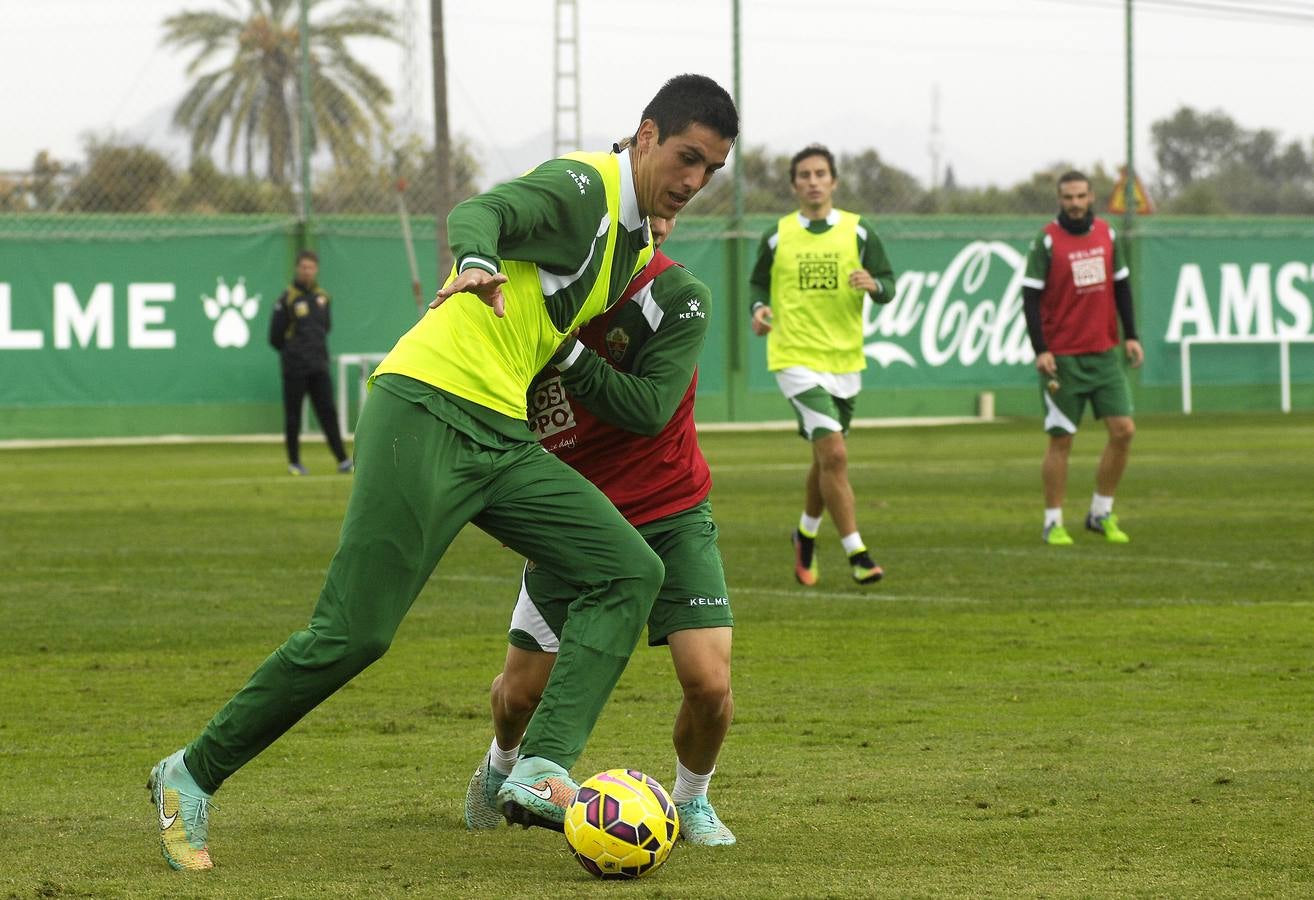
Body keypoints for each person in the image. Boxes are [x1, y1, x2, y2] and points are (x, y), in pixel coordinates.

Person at [147, 73, 738, 872]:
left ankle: (538, 767)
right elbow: (482, 211)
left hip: (498, 432)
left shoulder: (634, 242)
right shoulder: (584, 188)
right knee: (354, 635)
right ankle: (190, 772)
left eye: (712, 170)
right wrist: (474, 259)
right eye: (686, 157)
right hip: (427, 406)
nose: (696, 181)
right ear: (643, 137)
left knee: (627, 569)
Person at [463, 216, 736, 846]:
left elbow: (648, 410)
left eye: (668, 213)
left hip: (672, 511)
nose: (657, 226)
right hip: (574, 520)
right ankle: (499, 765)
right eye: (642, 215)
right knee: (519, 698)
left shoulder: (676, 295)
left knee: (710, 685)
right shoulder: (533, 296)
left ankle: (691, 799)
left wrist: (567, 351)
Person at [748, 144, 896, 588]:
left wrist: (876, 286)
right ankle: (858, 552)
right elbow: (758, 281)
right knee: (835, 452)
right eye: (804, 175)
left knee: (824, 457)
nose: (813, 181)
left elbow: (888, 282)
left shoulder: (858, 231)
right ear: (794, 185)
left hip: (845, 360)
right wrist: (758, 308)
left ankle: (805, 535)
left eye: (820, 174)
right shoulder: (777, 235)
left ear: (833, 181)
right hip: (794, 358)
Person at [1021, 170, 1143, 546]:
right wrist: (1041, 349)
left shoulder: (1107, 234)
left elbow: (1121, 286)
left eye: (1080, 196)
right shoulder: (1046, 241)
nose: (1074, 203)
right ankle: (1053, 521)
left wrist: (1132, 336)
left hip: (1105, 353)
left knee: (1124, 431)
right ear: (1059, 200)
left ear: (1092, 197)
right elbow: (1030, 297)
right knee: (1062, 440)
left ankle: (1101, 512)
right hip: (1064, 359)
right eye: (1067, 197)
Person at [267, 249, 353, 476]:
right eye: (304, 267)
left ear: (316, 270)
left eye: (311, 267)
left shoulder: (322, 297)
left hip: (319, 365)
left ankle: (343, 459)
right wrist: (293, 354)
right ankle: (294, 462)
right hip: (295, 368)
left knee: (328, 412)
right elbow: (274, 337)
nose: (307, 271)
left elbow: (325, 328)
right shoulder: (287, 299)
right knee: (293, 415)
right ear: (297, 268)